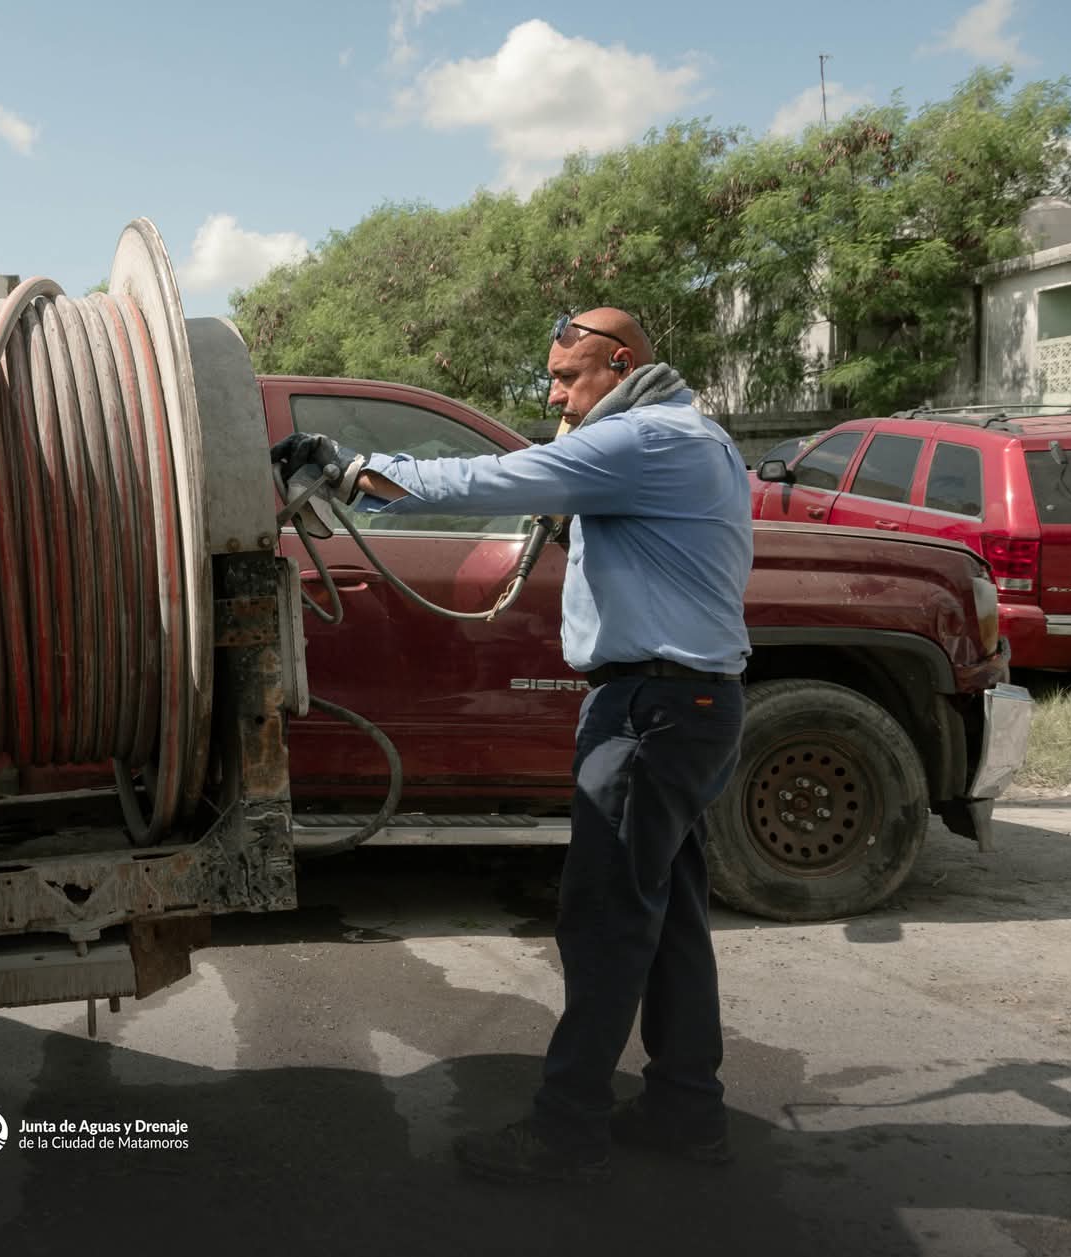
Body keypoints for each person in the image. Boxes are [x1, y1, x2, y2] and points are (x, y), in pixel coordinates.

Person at [272, 308, 753, 1185]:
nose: (554, 392)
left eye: (569, 376)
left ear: (620, 362)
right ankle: (689, 1111)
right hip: (686, 705)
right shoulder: (692, 436)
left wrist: (354, 469)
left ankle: (569, 1131)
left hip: (649, 709)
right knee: (670, 917)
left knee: (606, 921)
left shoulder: (643, 439)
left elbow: (493, 476)